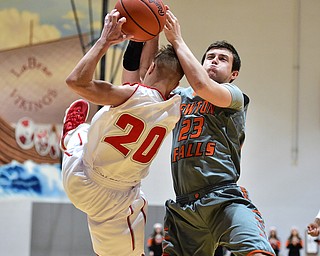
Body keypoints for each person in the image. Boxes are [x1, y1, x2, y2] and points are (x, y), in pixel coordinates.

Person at [60, 9, 184, 256]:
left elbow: (75, 82)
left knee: (92, 127)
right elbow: (153, 69)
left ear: (150, 70)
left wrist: (105, 40)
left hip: (78, 173)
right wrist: (156, 32)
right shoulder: (176, 107)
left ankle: (73, 136)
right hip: (117, 199)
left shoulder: (130, 93)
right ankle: (76, 136)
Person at [158, 9, 275, 256]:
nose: (214, 60)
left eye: (222, 59)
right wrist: (148, 33)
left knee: (257, 252)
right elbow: (148, 81)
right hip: (185, 206)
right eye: (210, 56)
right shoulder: (179, 97)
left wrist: (177, 40)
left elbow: (202, 85)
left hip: (222, 198)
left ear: (233, 75)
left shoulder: (233, 96)